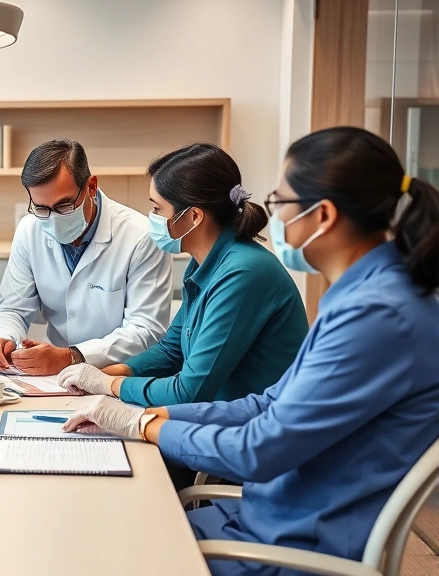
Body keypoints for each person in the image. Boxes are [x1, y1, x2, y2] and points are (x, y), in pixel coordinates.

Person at [63, 127, 439, 576]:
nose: (271, 215)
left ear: (323, 216)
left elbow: (258, 450)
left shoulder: (378, 316)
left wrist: (139, 420)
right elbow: (268, 403)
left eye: (282, 203)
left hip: (293, 541)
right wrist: (143, 413)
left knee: (105, 543)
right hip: (268, 513)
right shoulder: (362, 297)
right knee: (107, 523)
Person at [57, 144, 308, 407]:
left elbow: (189, 391)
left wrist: (109, 386)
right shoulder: (204, 263)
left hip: (255, 428)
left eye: (156, 209)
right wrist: (116, 372)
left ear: (194, 216)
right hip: (220, 418)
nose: (151, 218)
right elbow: (172, 349)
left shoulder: (243, 274)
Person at [0, 139, 172, 376]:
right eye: (41, 208)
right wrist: (3, 336)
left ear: (91, 187)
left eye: (64, 205)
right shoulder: (29, 230)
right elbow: (13, 308)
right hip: (53, 377)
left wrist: (72, 357)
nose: (52, 219)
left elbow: (147, 329)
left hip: (119, 374)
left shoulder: (141, 237)